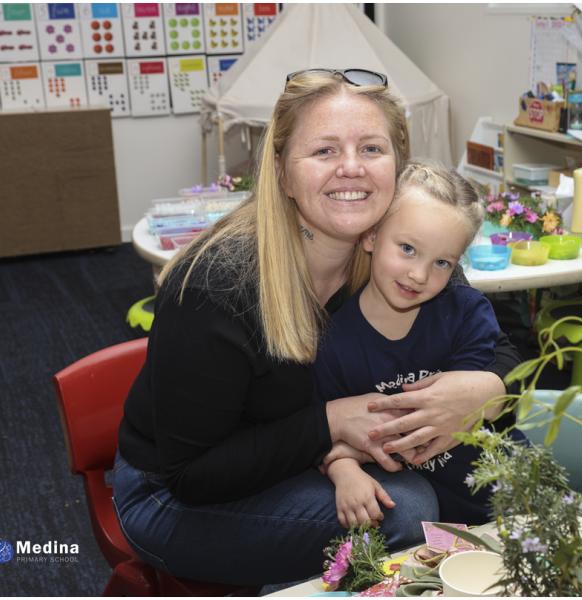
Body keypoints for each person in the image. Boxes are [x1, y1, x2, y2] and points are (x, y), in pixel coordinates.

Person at [112, 69, 521, 588]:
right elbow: (193, 475)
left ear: (398, 164)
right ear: (282, 172)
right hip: (172, 495)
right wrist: (328, 423)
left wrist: (488, 388)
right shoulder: (217, 286)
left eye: (371, 148)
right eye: (324, 151)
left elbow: (498, 347)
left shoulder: (409, 250)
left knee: (479, 481)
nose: (351, 168)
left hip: (316, 464)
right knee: (408, 509)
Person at [314, 160, 527, 528]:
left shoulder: (466, 313)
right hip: (426, 520)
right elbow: (328, 430)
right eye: (408, 249)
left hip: (508, 497)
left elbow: (492, 397)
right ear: (371, 236)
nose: (420, 275)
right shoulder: (334, 340)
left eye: (442, 262)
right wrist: (344, 471)